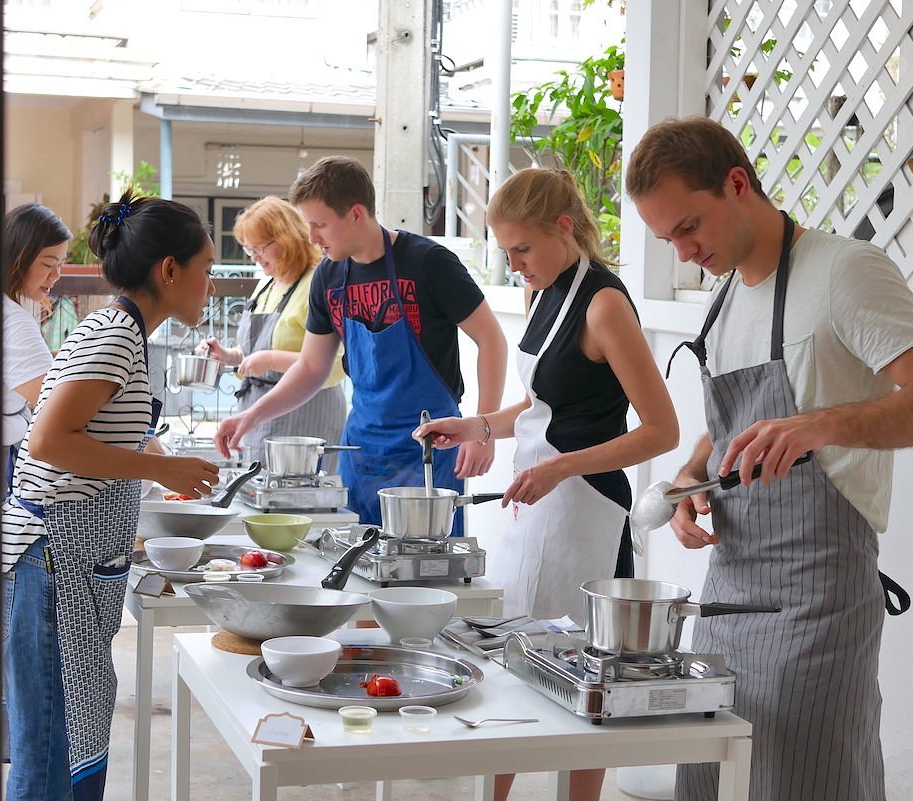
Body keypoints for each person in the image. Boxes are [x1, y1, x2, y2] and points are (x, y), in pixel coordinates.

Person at [625, 116, 913, 801]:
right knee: (710, 778)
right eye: (668, 239)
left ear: (737, 183)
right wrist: (697, 471)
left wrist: (825, 423)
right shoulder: (722, 301)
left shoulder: (846, 272)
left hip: (816, 601)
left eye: (690, 226)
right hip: (727, 595)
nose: (685, 250)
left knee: (809, 780)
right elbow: (733, 434)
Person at [414, 168, 679, 801]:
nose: (514, 264)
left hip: (585, 507)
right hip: (533, 503)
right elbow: (539, 410)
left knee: (584, 671)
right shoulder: (546, 294)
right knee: (512, 661)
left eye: (522, 249)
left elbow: (661, 431)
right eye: (506, 252)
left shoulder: (604, 303)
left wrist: (562, 466)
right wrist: (476, 424)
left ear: (564, 227)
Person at [1, 194, 221, 801]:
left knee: (67, 742)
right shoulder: (114, 335)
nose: (210, 284)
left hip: (74, 564)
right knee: (47, 756)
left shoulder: (124, 333)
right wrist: (160, 465)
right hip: (52, 563)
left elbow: (86, 439)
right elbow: (47, 441)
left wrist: (151, 466)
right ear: (169, 270)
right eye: (205, 269)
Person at [215, 155, 508, 529]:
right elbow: (311, 367)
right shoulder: (329, 277)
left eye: (320, 225)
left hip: (431, 450)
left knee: (424, 573)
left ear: (356, 214)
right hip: (362, 450)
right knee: (358, 567)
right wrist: (251, 415)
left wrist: (483, 430)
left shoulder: (428, 263)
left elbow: (492, 340)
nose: (311, 237)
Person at [200, 196, 347, 470]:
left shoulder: (317, 283)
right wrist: (230, 356)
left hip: (307, 417)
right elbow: (257, 350)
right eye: (248, 249)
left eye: (260, 248)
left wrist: (270, 360)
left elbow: (338, 365)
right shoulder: (267, 284)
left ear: (287, 239)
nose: (254, 256)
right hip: (260, 413)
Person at [1, 203, 69, 454]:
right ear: (18, 257)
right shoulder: (13, 321)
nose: (56, 275)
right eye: (48, 264)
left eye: (61, 264)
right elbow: (57, 408)